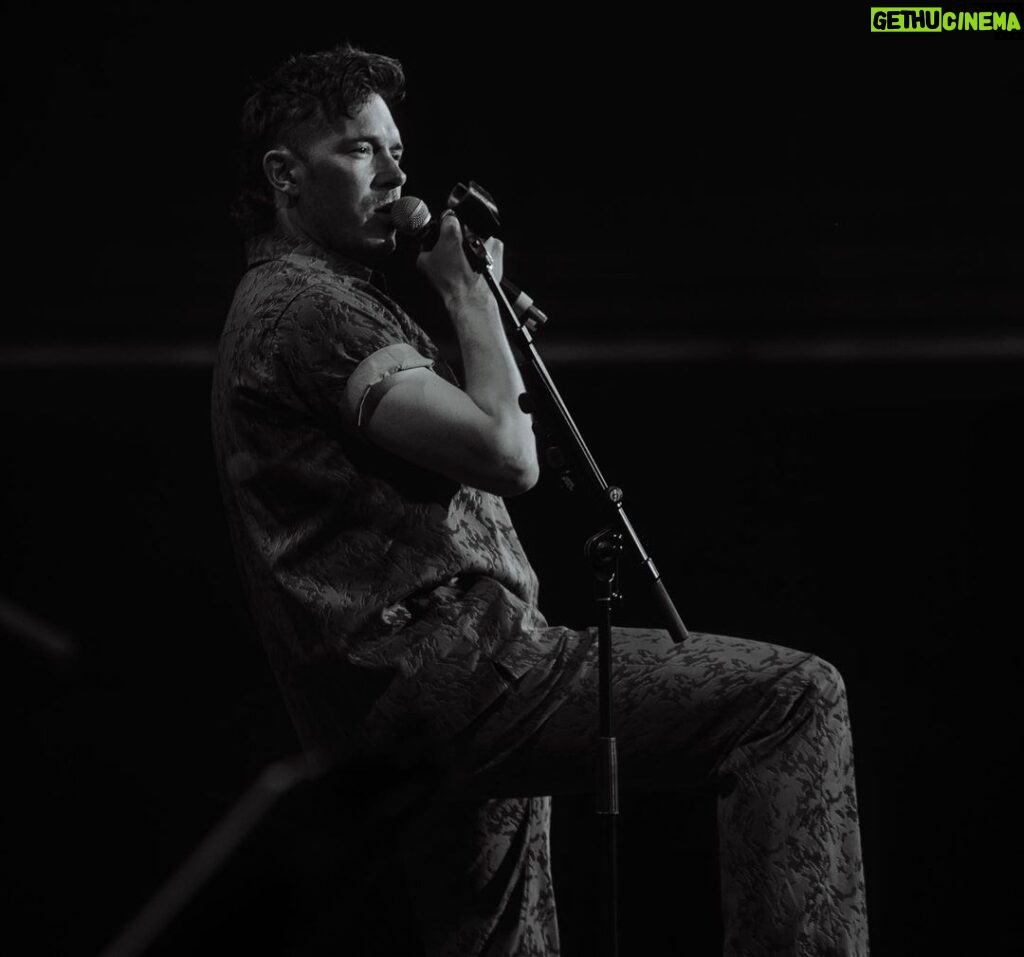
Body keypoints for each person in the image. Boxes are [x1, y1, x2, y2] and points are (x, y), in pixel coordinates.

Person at [211, 43, 869, 956]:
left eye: (396, 146)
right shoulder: (305, 307)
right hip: (461, 675)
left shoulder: (305, 302)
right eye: (363, 151)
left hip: (404, 708)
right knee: (794, 698)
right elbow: (505, 455)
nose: (399, 170)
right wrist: (470, 297)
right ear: (286, 175)